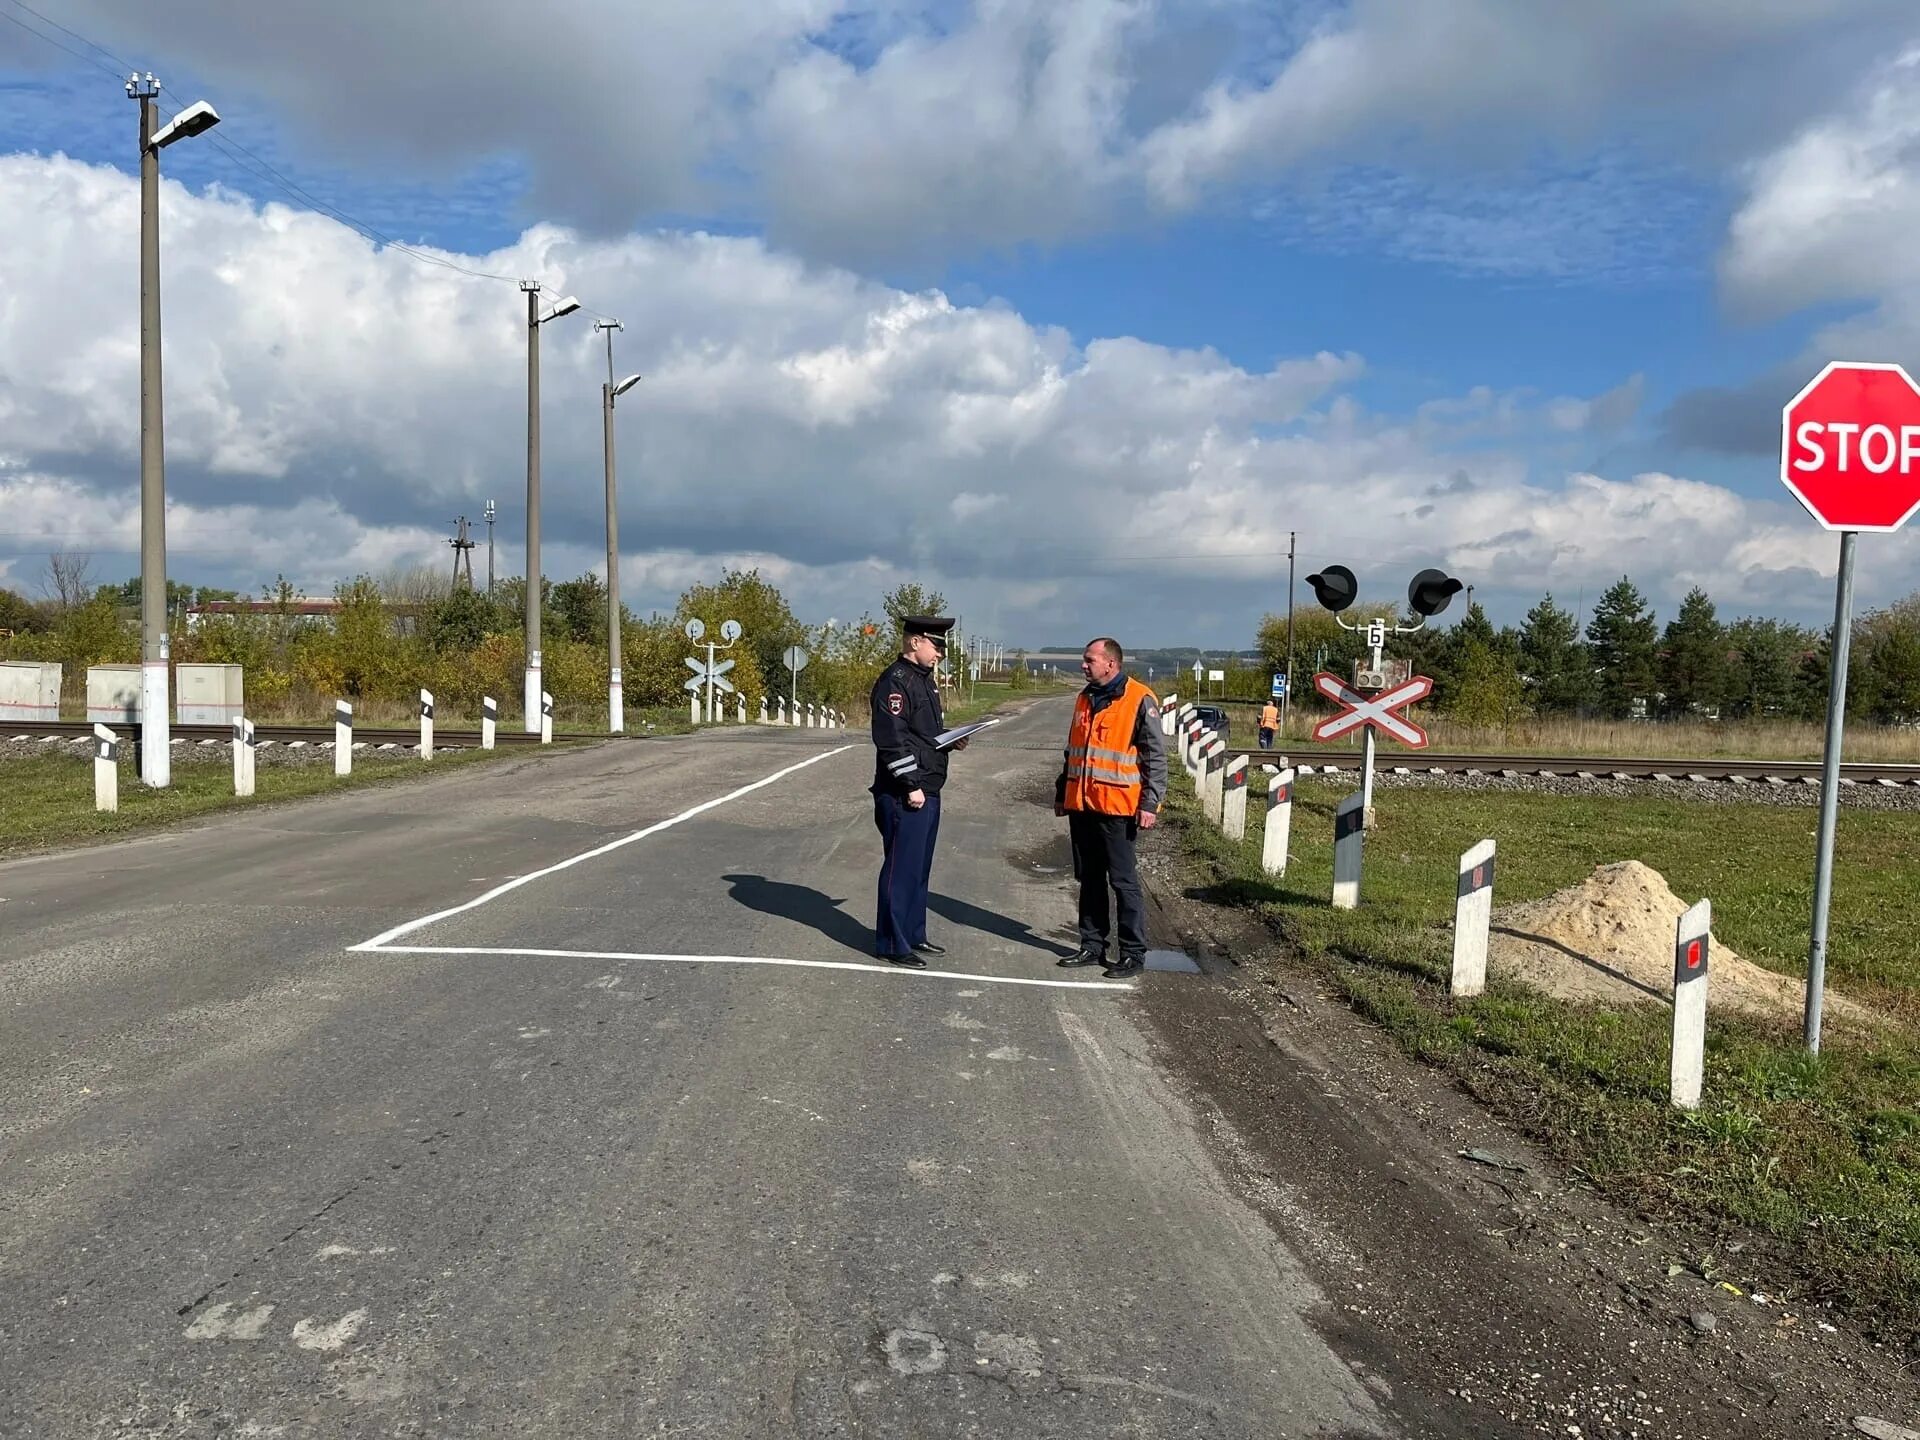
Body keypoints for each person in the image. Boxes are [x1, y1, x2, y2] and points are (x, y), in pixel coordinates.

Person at [1055, 637, 1167, 978]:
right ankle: (1092, 945)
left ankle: (1133, 952)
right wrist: (1063, 793)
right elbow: (1073, 750)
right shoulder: (1084, 698)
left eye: (1089, 660)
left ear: (1111, 664)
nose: (1083, 665)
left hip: (1118, 807)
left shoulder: (1139, 699)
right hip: (1083, 805)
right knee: (1089, 878)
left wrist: (1151, 802)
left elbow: (1155, 757)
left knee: (1123, 881)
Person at [870, 615, 960, 967]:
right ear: (915, 642)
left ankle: (914, 933)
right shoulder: (896, 682)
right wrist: (910, 785)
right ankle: (893, 942)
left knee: (919, 868)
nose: (939, 653)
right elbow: (891, 741)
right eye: (936, 646)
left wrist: (953, 740)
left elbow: (923, 736)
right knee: (901, 868)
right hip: (905, 791)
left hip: (929, 785)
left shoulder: (924, 682)